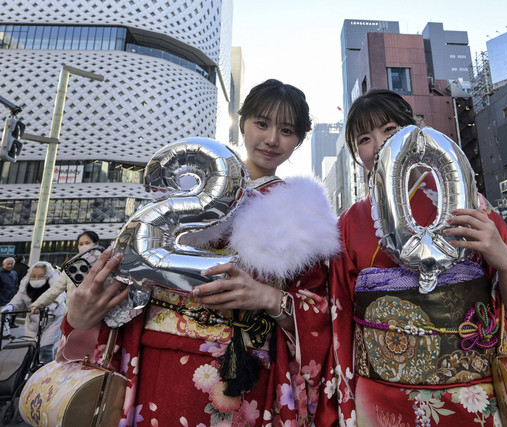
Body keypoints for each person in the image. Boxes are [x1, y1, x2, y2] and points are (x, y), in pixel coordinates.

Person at [56, 79, 339, 426]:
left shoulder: (306, 214)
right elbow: (130, 270)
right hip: (155, 355)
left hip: (242, 370)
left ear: (300, 138)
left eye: (287, 130)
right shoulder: (190, 188)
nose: (271, 139)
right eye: (261, 124)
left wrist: (271, 299)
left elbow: (322, 308)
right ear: (242, 121)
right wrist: (85, 313)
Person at [317, 90, 507, 426]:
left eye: (390, 130)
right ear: (356, 153)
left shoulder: (469, 204)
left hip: (470, 393)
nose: (378, 145)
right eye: (365, 139)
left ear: (416, 134)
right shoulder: (349, 223)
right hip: (381, 399)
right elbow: (340, 318)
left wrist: (504, 260)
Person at [1, 262, 65, 363]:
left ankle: (46, 372)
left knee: (46, 348)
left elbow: (59, 295)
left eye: (40, 276)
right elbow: (19, 298)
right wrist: (10, 306)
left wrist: (51, 306)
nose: (36, 279)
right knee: (31, 348)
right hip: (33, 320)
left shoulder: (54, 281)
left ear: (47, 275)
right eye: (33, 276)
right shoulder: (26, 284)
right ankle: (33, 371)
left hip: (53, 318)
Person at [29, 231, 100, 316]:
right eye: (80, 244)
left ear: (96, 244)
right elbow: (57, 287)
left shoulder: (105, 262)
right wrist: (38, 304)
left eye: (87, 243)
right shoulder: (70, 265)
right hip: (73, 315)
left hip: (96, 314)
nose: (83, 246)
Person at [1, 257, 19, 336]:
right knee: (4, 317)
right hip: (1, 298)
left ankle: (5, 333)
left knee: (5, 317)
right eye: (8, 264)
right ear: (3, 264)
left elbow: (15, 285)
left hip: (9, 299)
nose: (10, 265)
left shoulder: (14, 273)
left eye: (11, 264)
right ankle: (5, 333)